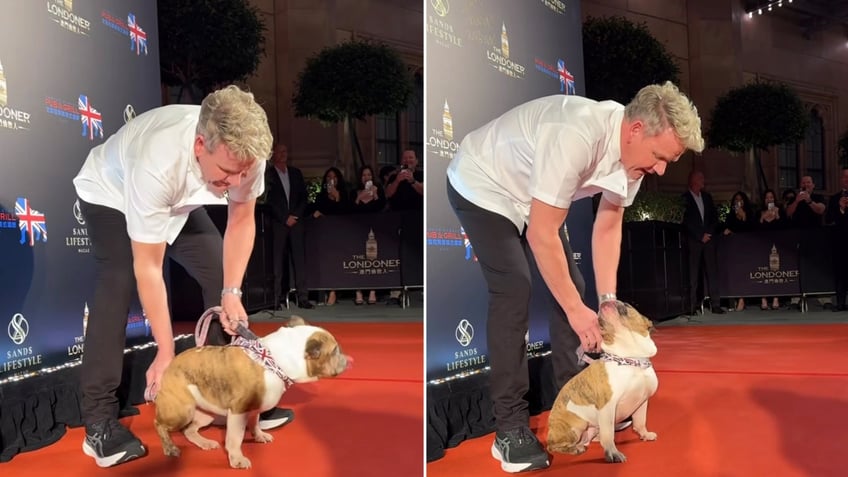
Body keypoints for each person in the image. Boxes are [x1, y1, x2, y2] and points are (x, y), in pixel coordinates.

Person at [446, 81, 704, 473]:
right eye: (658, 157)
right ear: (635, 129)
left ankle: (575, 398)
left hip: (530, 198)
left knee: (580, 289)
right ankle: (509, 429)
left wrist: (605, 301)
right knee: (515, 287)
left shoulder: (633, 155)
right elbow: (541, 234)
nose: (660, 169)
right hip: (484, 183)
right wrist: (575, 310)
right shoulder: (578, 133)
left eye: (667, 161)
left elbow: (609, 224)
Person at [73, 85, 292, 467]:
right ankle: (98, 422)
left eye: (244, 172)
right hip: (113, 193)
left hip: (178, 201)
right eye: (227, 172)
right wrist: (166, 350)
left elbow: (241, 220)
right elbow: (149, 268)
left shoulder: (244, 158)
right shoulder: (159, 161)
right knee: (119, 278)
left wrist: (231, 291)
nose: (237, 182)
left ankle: (232, 395)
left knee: (217, 270)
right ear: (199, 146)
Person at [265, 143, 314, 309]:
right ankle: (276, 299)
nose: (283, 154)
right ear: (273, 155)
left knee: (299, 260)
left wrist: (295, 216)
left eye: (285, 151)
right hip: (279, 223)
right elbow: (269, 200)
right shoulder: (269, 174)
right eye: (279, 152)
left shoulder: (295, 173)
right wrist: (284, 217)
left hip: (296, 223)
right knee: (277, 262)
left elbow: (303, 197)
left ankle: (303, 298)